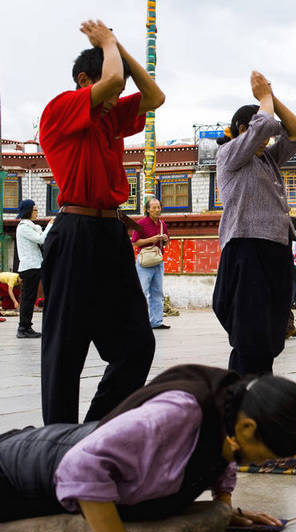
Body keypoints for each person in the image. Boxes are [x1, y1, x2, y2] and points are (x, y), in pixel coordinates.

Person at [0, 364, 296, 532]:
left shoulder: (229, 414)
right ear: (246, 427)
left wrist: (225, 508)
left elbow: (221, 458)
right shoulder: (179, 412)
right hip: (17, 470)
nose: (261, 463)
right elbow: (81, 465)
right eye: (264, 455)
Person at [38, 20, 166, 425]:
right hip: (74, 232)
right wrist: (107, 44)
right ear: (83, 80)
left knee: (137, 346)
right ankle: (56, 445)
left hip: (111, 233)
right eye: (110, 89)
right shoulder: (61, 108)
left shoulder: (110, 118)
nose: (116, 97)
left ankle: (93, 431)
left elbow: (155, 96)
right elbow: (111, 83)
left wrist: (118, 47)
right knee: (64, 352)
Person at [212, 71, 296, 375]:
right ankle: (241, 397)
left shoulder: (266, 158)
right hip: (246, 248)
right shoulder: (229, 154)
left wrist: (272, 98)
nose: (267, 141)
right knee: (249, 333)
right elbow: (264, 123)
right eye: (261, 135)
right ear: (243, 129)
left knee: (271, 330)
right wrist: (263, 98)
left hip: (275, 249)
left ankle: (260, 392)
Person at [14, 200, 53, 338]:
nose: (36, 212)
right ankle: (23, 328)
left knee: (29, 299)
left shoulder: (30, 226)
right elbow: (41, 239)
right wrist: (49, 225)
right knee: (28, 299)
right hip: (29, 266)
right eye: (35, 210)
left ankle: (26, 327)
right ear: (28, 211)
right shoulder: (23, 227)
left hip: (35, 265)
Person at [132, 198, 170, 330]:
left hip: (158, 261)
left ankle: (156, 321)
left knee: (157, 292)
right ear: (147, 210)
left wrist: (165, 239)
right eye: (153, 208)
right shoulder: (141, 223)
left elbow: (166, 242)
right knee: (142, 291)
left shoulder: (162, 224)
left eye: (158, 207)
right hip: (144, 262)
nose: (157, 210)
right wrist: (152, 239)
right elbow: (135, 242)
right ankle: (138, 321)